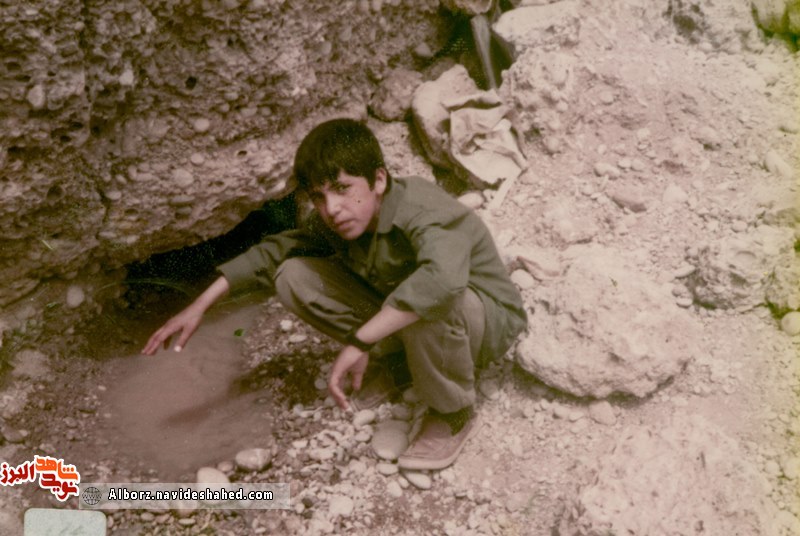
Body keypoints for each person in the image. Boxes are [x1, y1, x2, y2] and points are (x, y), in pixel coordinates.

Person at [142, 118, 526, 470]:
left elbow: (442, 282)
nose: (332, 209)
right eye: (319, 196)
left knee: (429, 301)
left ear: (378, 180)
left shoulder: (423, 208)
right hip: (419, 321)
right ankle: (401, 364)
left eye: (343, 189)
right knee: (293, 276)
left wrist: (360, 340)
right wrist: (199, 305)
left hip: (482, 322)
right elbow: (274, 252)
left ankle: (452, 411)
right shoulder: (340, 219)